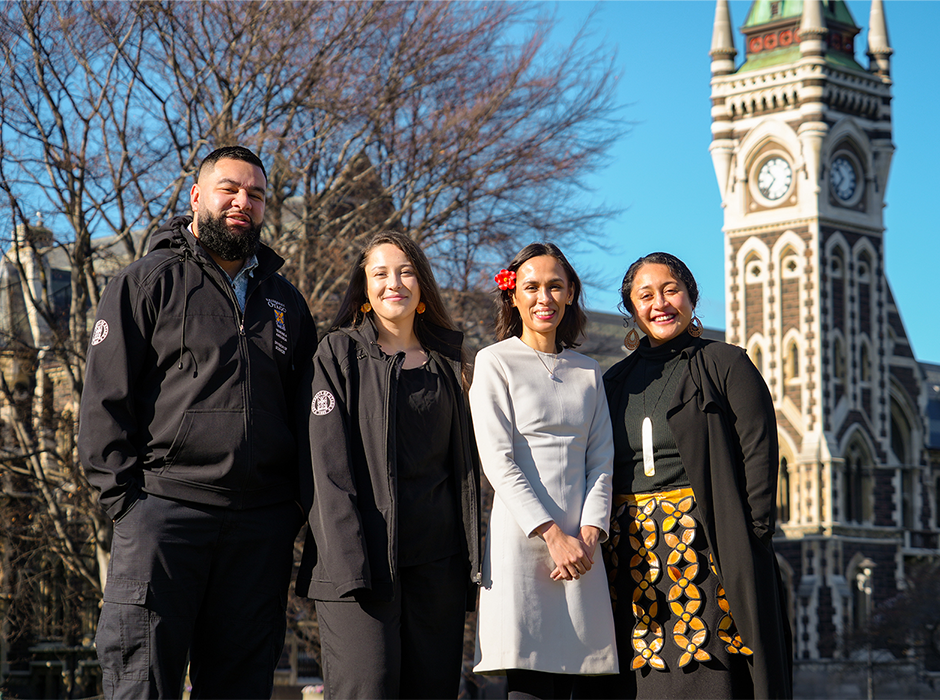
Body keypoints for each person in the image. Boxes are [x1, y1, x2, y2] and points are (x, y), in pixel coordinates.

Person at [79, 146, 317, 699]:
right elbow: (103, 404)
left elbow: (307, 416)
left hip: (258, 530)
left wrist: (291, 511)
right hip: (163, 516)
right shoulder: (143, 282)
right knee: (142, 685)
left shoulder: (285, 302)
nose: (243, 202)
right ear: (196, 196)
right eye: (229, 188)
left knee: (242, 686)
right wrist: (131, 507)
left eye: (255, 195)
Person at [586, 252, 792, 700]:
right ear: (631, 309)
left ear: (692, 298)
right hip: (631, 556)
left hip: (707, 551)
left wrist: (752, 531)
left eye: (671, 290)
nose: (660, 303)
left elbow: (759, 447)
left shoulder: (725, 363)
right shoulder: (613, 382)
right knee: (640, 678)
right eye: (646, 295)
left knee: (711, 672)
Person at [295, 231, 481, 700]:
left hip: (436, 570)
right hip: (358, 569)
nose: (392, 283)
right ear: (364, 288)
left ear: (421, 287)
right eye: (379, 273)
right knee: (368, 690)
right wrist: (348, 564)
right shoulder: (336, 354)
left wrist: (471, 563)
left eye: (404, 271)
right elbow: (326, 469)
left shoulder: (451, 364)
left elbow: (468, 474)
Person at [469, 242, 618, 700]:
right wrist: (553, 536)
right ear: (513, 295)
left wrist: (589, 535)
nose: (544, 298)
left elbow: (601, 462)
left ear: (571, 292)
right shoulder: (495, 362)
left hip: (584, 550)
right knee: (530, 686)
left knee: (587, 680)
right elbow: (498, 461)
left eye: (555, 286)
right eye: (531, 287)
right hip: (526, 542)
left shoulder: (589, 372)